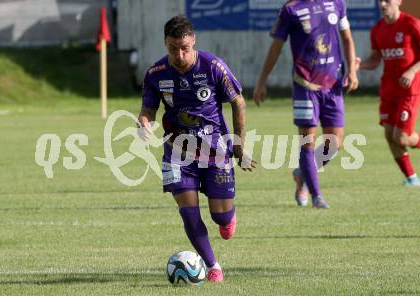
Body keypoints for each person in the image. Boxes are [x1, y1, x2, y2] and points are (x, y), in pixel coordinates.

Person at [138, 15, 256, 283]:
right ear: (165, 44)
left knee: (220, 217)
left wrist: (239, 145)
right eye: (172, 49)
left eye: (185, 48)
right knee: (188, 212)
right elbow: (148, 109)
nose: (179, 55)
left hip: (215, 151)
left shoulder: (213, 67)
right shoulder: (156, 74)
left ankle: (227, 218)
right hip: (177, 152)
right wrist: (144, 123)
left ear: (193, 42)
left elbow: (238, 102)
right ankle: (213, 266)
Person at [253, 0, 359, 208]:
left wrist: (353, 72)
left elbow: (347, 39)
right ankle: (316, 196)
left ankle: (302, 173)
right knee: (307, 142)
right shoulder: (291, 9)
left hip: (333, 85)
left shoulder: (336, 3)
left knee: (335, 143)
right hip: (305, 85)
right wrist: (262, 81)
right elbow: (276, 48)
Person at [358, 0, 420, 186]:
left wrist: (411, 71)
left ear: (399, 1)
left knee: (401, 137)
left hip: (409, 90)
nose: (383, 4)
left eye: (387, 0)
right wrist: (359, 64)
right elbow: (375, 60)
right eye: (380, 1)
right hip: (388, 90)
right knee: (389, 136)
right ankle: (411, 179)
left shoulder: (411, 24)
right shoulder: (377, 29)